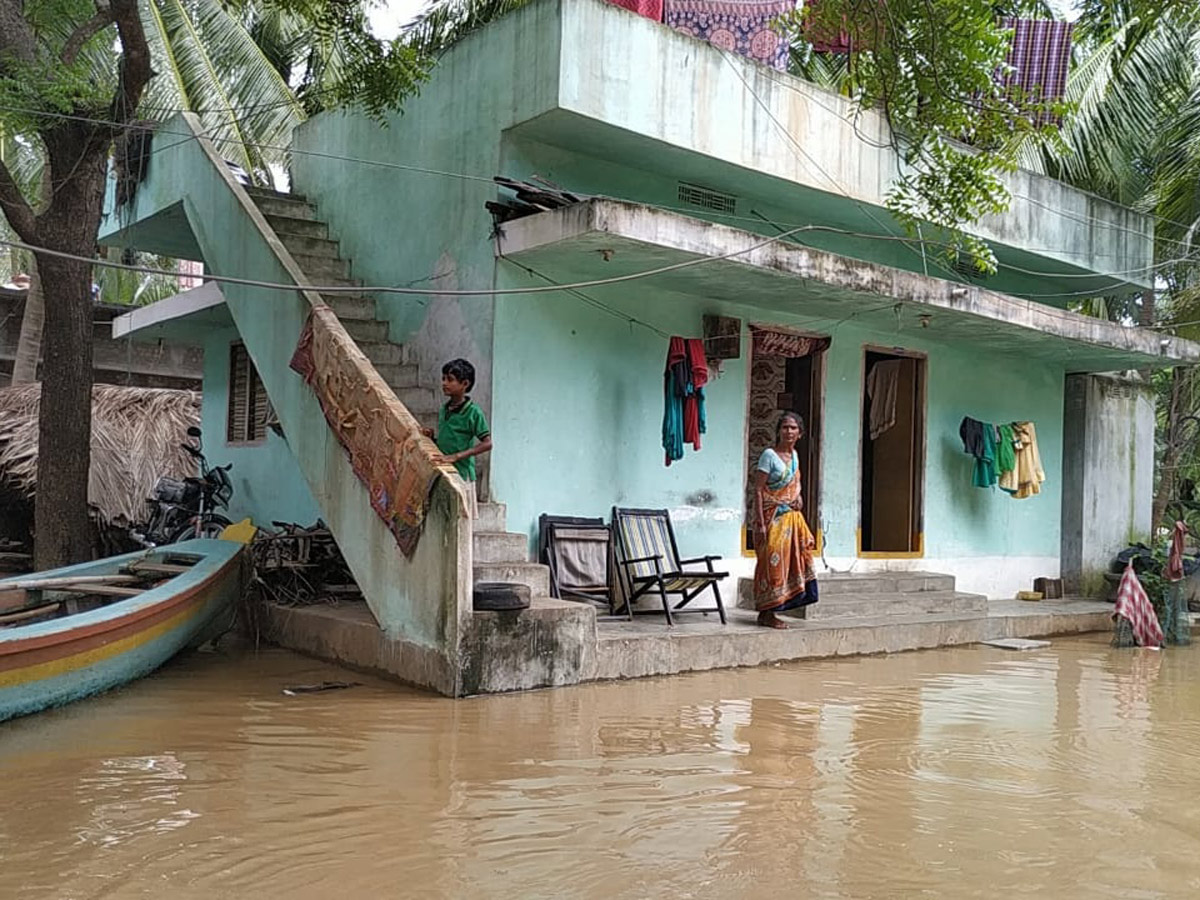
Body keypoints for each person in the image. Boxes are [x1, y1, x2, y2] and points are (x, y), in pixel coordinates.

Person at [751, 411, 819, 629]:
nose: (789, 432)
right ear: (778, 431)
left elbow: (795, 484)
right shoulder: (769, 455)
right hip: (772, 518)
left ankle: (775, 610)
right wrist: (760, 522)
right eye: (785, 427)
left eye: (793, 428)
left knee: (794, 561)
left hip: (791, 518)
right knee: (773, 562)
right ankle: (766, 612)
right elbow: (759, 490)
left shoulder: (796, 456)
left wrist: (798, 498)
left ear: (800, 433)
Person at [421, 358, 492, 517]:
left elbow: (487, 444)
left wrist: (458, 456)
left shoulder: (473, 412)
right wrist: (433, 439)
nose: (444, 383)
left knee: (462, 518)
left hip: (462, 473)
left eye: (450, 379)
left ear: (465, 384)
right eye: (443, 378)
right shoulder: (444, 409)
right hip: (445, 469)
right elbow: (449, 440)